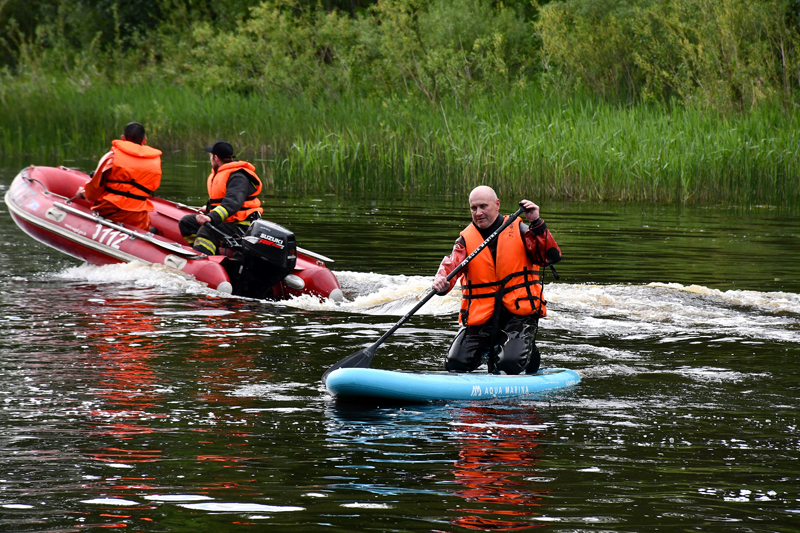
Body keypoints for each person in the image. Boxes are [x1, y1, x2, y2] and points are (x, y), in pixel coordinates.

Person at [432, 186, 561, 375]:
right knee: (455, 363)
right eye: (473, 208)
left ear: (497, 204)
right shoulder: (465, 240)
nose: (478, 213)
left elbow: (550, 257)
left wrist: (536, 223)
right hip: (483, 316)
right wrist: (441, 281)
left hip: (519, 314)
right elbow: (451, 265)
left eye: (483, 206)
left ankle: (528, 354)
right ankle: (495, 351)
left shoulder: (521, 230)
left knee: (509, 364)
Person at [179, 141, 263, 255]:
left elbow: (232, 203)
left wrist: (211, 217)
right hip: (227, 221)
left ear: (216, 158)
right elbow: (221, 200)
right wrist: (208, 209)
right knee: (187, 222)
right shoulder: (222, 173)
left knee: (207, 230)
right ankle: (204, 251)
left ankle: (202, 257)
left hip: (242, 225)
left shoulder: (238, 176)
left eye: (210, 156)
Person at [78, 122, 162, 231]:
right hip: (136, 217)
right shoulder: (154, 162)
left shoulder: (112, 156)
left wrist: (83, 193)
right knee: (149, 227)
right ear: (144, 140)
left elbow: (93, 193)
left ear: (123, 138)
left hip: (110, 212)